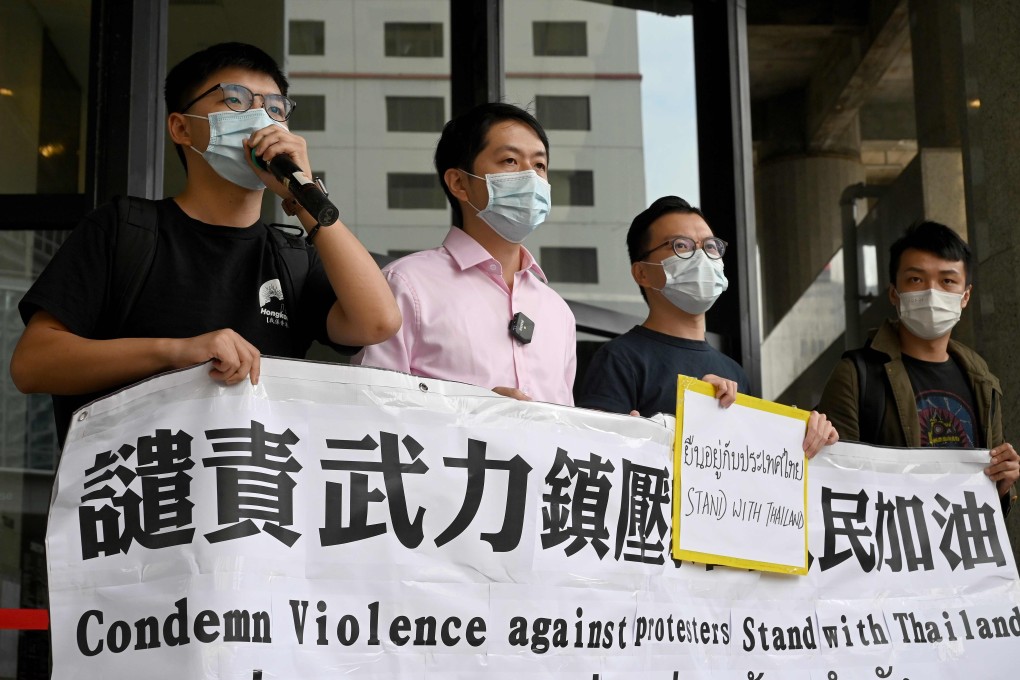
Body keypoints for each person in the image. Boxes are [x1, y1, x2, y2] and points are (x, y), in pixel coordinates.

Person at [10, 42, 401, 445]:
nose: (261, 119)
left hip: (251, 496)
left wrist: (302, 197)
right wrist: (177, 353)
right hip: (138, 492)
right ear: (181, 127)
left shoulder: (292, 257)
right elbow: (33, 363)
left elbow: (378, 321)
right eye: (235, 99)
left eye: (276, 108)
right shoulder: (126, 229)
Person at [578, 195, 836, 457]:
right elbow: (599, 459)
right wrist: (694, 411)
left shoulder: (735, 372)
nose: (701, 257)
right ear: (642, 272)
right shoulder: (619, 360)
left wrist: (809, 436)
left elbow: (754, 467)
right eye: (681, 245)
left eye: (710, 247)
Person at [354, 102, 576, 405]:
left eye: (539, 165)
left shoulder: (557, 311)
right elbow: (369, 405)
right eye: (510, 161)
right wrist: (469, 412)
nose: (532, 178)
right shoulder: (406, 284)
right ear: (459, 183)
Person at [817, 220, 1018, 508]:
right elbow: (831, 484)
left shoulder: (983, 382)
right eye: (916, 279)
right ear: (893, 293)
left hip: (960, 548)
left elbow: (990, 501)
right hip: (889, 549)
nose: (932, 292)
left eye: (947, 281)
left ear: (966, 296)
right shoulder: (856, 375)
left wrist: (1002, 484)